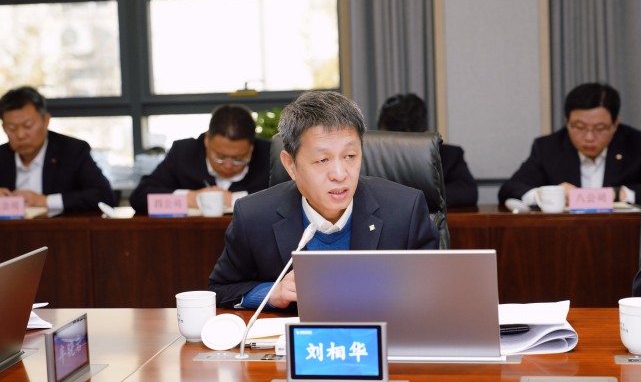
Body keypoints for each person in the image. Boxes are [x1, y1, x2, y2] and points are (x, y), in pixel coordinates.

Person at [208, 90, 439, 310]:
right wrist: (272, 293)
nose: (339, 174)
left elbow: (435, 291)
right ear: (290, 165)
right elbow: (221, 290)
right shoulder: (254, 216)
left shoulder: (405, 210)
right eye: (322, 160)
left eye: (350, 156)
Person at [498, 82, 641, 206]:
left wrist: (621, 194)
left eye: (600, 128)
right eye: (579, 127)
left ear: (615, 124)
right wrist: (544, 195)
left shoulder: (639, 145)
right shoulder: (548, 148)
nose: (589, 137)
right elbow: (510, 189)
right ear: (567, 122)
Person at [129, 104, 271, 212]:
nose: (228, 165)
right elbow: (140, 197)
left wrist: (235, 200)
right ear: (207, 140)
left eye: (238, 158)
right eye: (220, 157)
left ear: (251, 147)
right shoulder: (184, 152)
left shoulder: (269, 154)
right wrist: (191, 198)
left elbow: (283, 198)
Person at [0, 86, 115, 215]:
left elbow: (104, 195)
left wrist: (46, 201)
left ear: (46, 120)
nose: (21, 135)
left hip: (60, 227)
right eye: (12, 128)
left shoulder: (72, 151)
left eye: (28, 126)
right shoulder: (2, 156)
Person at [377, 93, 478, 207]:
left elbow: (467, 192)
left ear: (407, 133)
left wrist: (411, 197)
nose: (382, 145)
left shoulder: (448, 156)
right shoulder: (376, 159)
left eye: (385, 137)